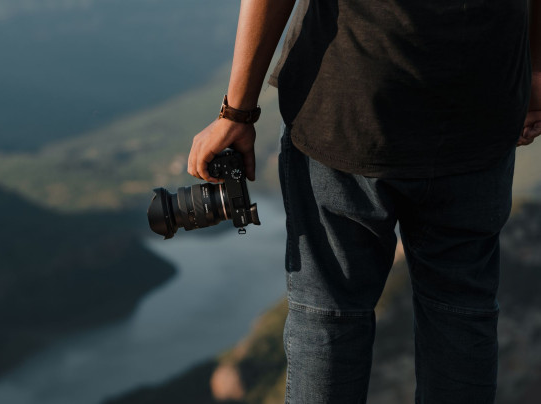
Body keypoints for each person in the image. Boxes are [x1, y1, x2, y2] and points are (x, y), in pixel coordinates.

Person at [187, 0, 541, 403]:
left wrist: (237, 112)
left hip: (346, 105)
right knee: (461, 315)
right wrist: (535, 66)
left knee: (328, 319)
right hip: (478, 110)